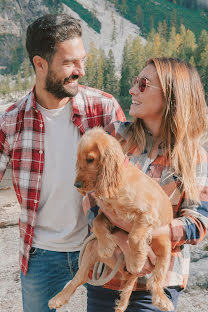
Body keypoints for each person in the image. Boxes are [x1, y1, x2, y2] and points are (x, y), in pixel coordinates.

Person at [0, 14, 125, 311]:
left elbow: (132, 177)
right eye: (69, 63)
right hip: (41, 256)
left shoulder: (105, 110)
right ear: (40, 64)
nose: (80, 70)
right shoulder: (10, 121)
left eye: (82, 60)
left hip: (102, 246)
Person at [84, 57, 208, 311]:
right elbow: (89, 195)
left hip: (157, 283)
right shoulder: (114, 137)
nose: (132, 90)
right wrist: (119, 240)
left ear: (173, 95)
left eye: (143, 84)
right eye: (134, 82)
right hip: (106, 276)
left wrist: (149, 238)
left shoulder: (195, 156)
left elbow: (198, 221)